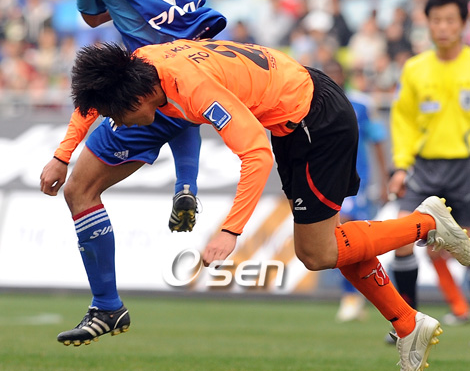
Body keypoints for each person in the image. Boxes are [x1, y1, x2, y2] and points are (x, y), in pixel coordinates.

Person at [38, 0, 370, 345]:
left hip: (152, 84)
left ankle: (107, 305)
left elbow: (91, 18)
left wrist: (64, 153)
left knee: (80, 189)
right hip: (207, 65)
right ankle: (186, 184)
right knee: (183, 107)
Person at [69, 38, 470, 370]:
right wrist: (63, 152)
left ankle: (426, 223)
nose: (118, 124)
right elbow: (95, 98)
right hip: (294, 114)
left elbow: (255, 154)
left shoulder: (192, 89)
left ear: (139, 96)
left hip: (315, 122)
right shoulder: (141, 62)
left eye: (118, 116)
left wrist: (230, 230)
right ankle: (407, 323)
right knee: (329, 244)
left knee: (316, 252)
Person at [388, 0, 470, 337]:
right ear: (428, 24)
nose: (443, 27)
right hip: (424, 168)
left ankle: (461, 308)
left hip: (466, 168)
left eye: (450, 20)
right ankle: (407, 323)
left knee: (464, 247)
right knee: (401, 240)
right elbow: (403, 120)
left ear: (463, 23)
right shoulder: (415, 69)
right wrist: (400, 167)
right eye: (437, 20)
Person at [323, 59, 388, 322]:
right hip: (327, 181)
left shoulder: (361, 105)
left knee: (351, 234)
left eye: (336, 73)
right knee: (346, 239)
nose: (332, 78)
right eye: (328, 73)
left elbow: (378, 140)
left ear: (343, 76)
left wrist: (384, 180)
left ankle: (352, 296)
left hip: (356, 181)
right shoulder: (313, 105)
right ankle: (358, 294)